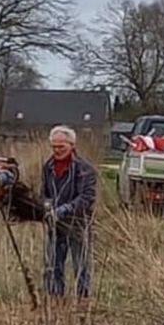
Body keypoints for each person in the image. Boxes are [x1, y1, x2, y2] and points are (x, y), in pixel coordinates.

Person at [41, 125, 97, 298]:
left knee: (80, 264)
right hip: (54, 223)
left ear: (72, 145)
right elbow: (44, 192)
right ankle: (55, 299)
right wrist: (46, 206)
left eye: (61, 147)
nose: (57, 151)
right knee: (53, 264)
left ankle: (82, 298)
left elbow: (86, 197)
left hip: (77, 222)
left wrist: (65, 209)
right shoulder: (48, 167)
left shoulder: (85, 169)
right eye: (54, 147)